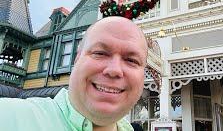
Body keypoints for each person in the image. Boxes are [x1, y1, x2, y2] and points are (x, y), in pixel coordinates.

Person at [0, 16, 148, 131]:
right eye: (100, 53)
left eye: (131, 60)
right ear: (77, 59)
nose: (114, 69)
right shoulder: (8, 115)